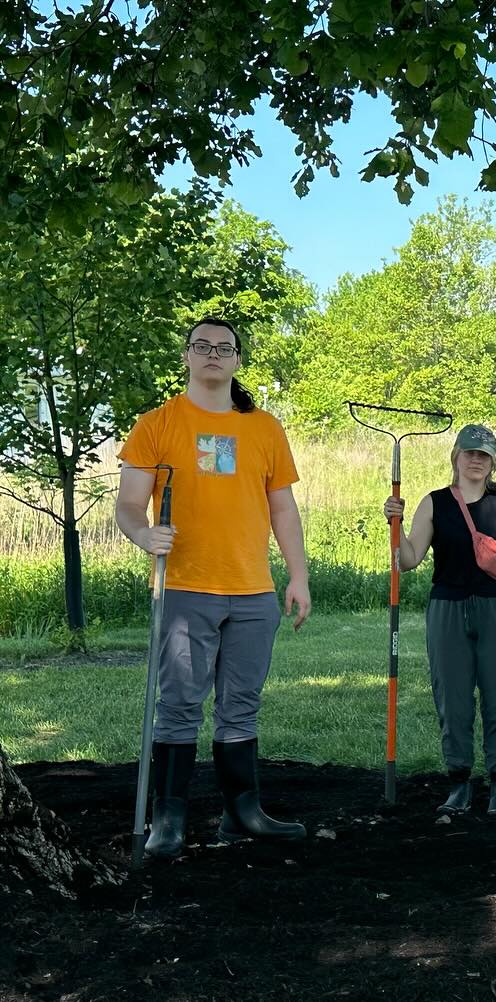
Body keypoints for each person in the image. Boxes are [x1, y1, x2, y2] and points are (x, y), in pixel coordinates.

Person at [115, 317, 311, 859]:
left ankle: (242, 814)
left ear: (237, 360)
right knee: (178, 704)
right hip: (184, 588)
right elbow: (130, 504)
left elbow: (283, 509)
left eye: (223, 348)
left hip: (253, 591)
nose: (212, 355)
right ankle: (168, 822)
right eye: (201, 346)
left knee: (241, 706)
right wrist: (142, 533)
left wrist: (297, 576)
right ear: (186, 356)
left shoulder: (265, 429)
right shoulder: (156, 425)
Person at [383, 424, 496, 817]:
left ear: (492, 462)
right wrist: (396, 524)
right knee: (452, 699)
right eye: (470, 452)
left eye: (484, 455)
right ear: (455, 456)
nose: (476, 460)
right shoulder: (434, 503)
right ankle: (459, 783)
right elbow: (407, 560)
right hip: (448, 609)